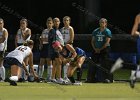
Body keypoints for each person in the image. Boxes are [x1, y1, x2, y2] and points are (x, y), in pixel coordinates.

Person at [90, 18, 113, 83]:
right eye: (100, 22)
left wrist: (100, 49)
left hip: (105, 49)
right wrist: (95, 49)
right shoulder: (95, 31)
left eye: (103, 22)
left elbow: (107, 42)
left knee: (105, 64)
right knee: (93, 63)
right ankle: (92, 78)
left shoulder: (107, 31)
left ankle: (107, 79)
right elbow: (92, 41)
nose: (102, 23)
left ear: (106, 23)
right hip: (96, 49)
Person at [48, 17, 64, 83]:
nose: (56, 23)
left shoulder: (58, 31)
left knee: (55, 64)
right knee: (59, 62)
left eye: (58, 21)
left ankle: (52, 78)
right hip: (55, 49)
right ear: (53, 23)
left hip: (56, 49)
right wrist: (58, 47)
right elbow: (53, 41)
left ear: (59, 22)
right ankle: (59, 78)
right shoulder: (53, 30)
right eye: (55, 21)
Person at [61, 16, 75, 81]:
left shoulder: (70, 28)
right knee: (63, 61)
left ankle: (67, 77)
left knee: (67, 61)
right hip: (63, 47)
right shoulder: (62, 29)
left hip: (68, 46)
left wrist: (65, 44)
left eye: (67, 20)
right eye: (64, 20)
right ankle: (64, 77)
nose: (66, 21)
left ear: (69, 21)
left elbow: (71, 39)